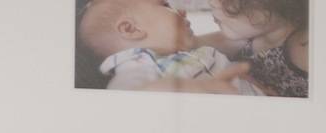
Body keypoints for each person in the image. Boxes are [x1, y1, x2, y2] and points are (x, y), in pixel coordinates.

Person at [78, 0, 256, 90]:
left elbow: (242, 40)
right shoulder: (135, 69)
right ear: (131, 29)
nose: (182, 10)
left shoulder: (197, 53)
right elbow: (126, 102)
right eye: (164, 4)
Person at [205, 0, 308, 95]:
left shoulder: (302, 48)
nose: (212, 3)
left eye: (229, 2)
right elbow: (192, 42)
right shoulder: (249, 37)